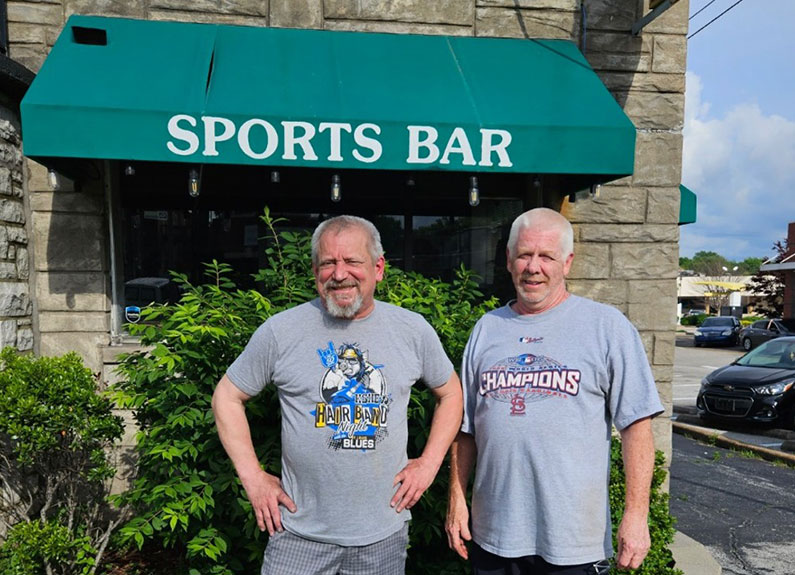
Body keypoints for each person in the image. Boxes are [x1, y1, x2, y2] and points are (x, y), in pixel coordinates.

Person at [212, 215, 462, 575]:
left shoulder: (412, 330)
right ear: (315, 270)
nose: (339, 274)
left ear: (378, 268)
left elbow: (451, 393)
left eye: (352, 262)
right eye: (328, 262)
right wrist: (252, 477)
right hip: (298, 533)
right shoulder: (282, 331)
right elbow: (226, 396)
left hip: (383, 536)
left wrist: (429, 463)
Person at [445, 207, 664, 575]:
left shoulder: (606, 327)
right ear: (509, 260)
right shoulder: (486, 328)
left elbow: (637, 427)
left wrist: (637, 515)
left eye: (546, 256)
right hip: (492, 537)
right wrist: (456, 497)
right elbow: (464, 428)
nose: (534, 267)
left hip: (572, 543)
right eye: (525, 255)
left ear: (567, 262)